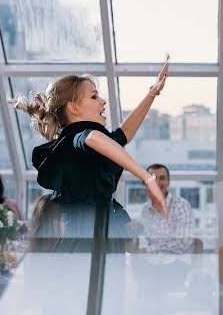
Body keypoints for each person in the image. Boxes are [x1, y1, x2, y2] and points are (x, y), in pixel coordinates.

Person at [10, 64, 170, 251]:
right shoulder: (76, 139)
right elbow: (92, 137)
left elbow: (124, 132)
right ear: (74, 108)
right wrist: (146, 177)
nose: (102, 101)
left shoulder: (93, 146)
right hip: (86, 249)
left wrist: (153, 93)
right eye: (94, 96)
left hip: (99, 243)